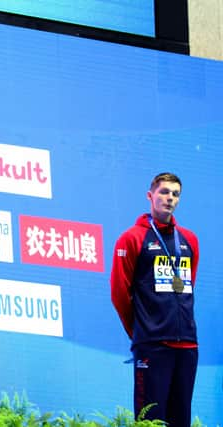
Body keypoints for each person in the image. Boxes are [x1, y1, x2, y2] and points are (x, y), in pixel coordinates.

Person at [111, 172, 199, 425]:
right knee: (151, 419)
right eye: (164, 192)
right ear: (150, 196)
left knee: (180, 420)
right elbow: (119, 292)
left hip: (188, 346)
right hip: (152, 345)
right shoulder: (132, 238)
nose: (169, 198)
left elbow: (188, 287)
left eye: (175, 194)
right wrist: (140, 331)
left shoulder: (189, 240)